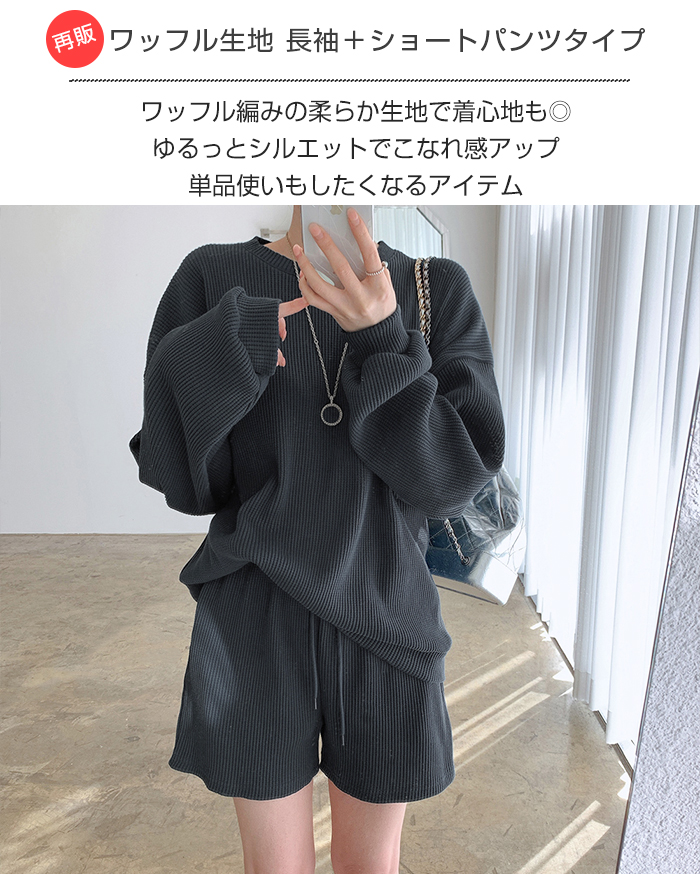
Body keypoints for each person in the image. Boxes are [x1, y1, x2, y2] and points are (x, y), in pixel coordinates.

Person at [129, 206, 505, 873]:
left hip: (387, 614)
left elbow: (452, 482)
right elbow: (180, 477)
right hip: (252, 614)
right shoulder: (212, 276)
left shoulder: (434, 288)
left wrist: (383, 338)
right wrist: (228, 354)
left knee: (370, 866)